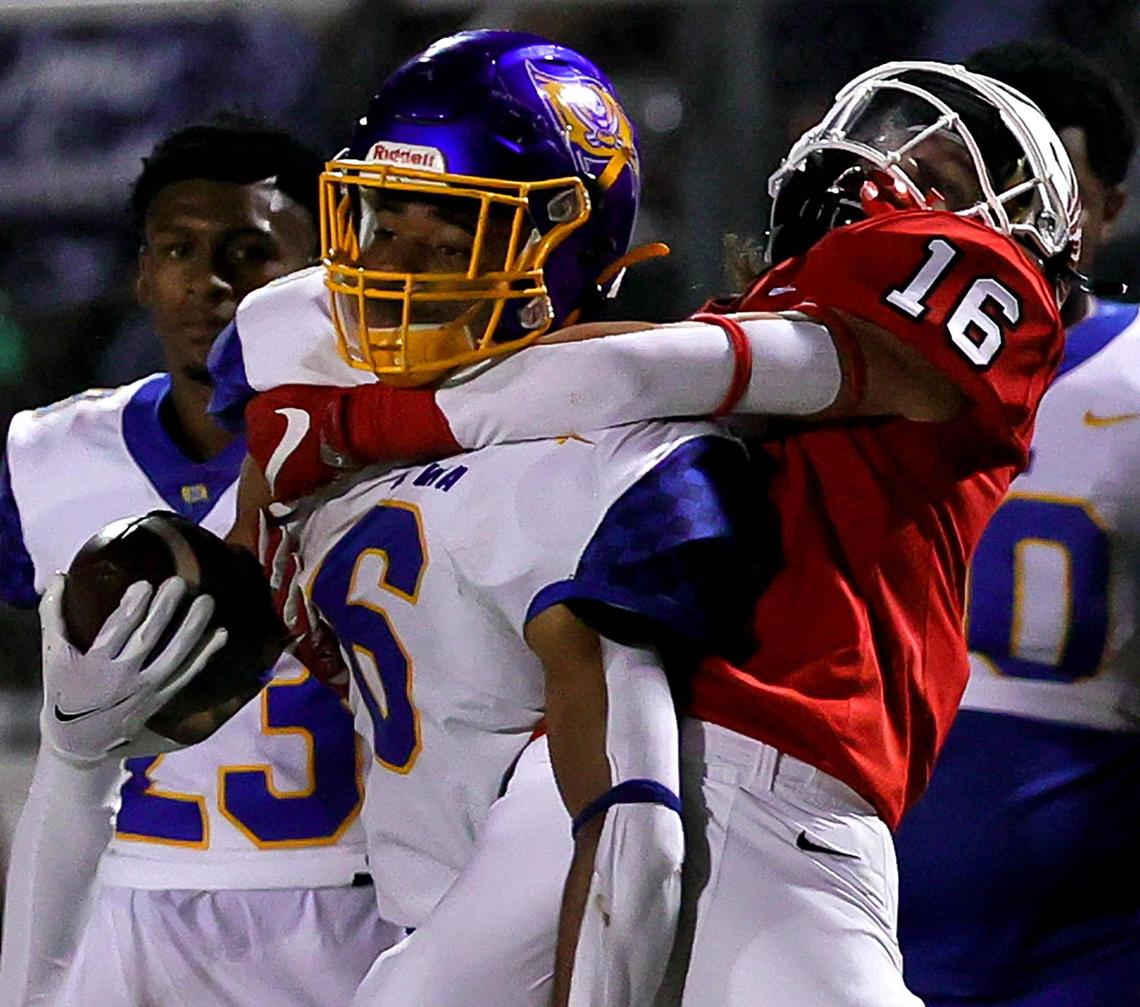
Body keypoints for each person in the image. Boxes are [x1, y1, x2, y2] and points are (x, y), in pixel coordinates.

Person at [228, 57, 1080, 1004]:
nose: (901, 169)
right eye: (896, 142)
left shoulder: (963, 284)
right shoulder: (718, 336)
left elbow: (633, 372)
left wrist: (346, 426)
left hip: (694, 780)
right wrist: (319, 420)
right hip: (702, 763)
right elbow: (579, 364)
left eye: (951, 178)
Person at [212, 31, 757, 1007]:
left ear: (568, 245)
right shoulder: (315, 362)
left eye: (452, 240)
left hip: (552, 944)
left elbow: (633, 837)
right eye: (383, 228)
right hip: (392, 917)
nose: (396, 272)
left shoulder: (616, 458)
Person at [0, 120, 399, 1007]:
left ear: (325, 266)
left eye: (250, 250)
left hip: (358, 912)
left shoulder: (398, 445)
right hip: (128, 904)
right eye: (178, 249)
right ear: (143, 273)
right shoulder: (47, 453)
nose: (210, 283)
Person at [893, 40, 1140, 1007]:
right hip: (831, 897)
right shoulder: (821, 356)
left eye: (1045, 173)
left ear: (1109, 211)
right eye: (979, 168)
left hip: (1085, 946)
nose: (1005, 205)